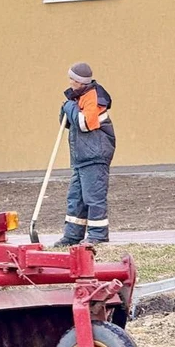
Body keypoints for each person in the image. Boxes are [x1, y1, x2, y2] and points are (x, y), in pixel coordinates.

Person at [53, 62, 116, 247]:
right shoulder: (77, 98)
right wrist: (66, 108)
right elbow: (68, 123)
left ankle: (97, 235)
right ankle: (72, 235)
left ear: (80, 81)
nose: (70, 81)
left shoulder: (94, 97)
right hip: (81, 157)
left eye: (72, 79)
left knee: (93, 197)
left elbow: (84, 124)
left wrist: (70, 108)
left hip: (95, 156)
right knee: (76, 198)